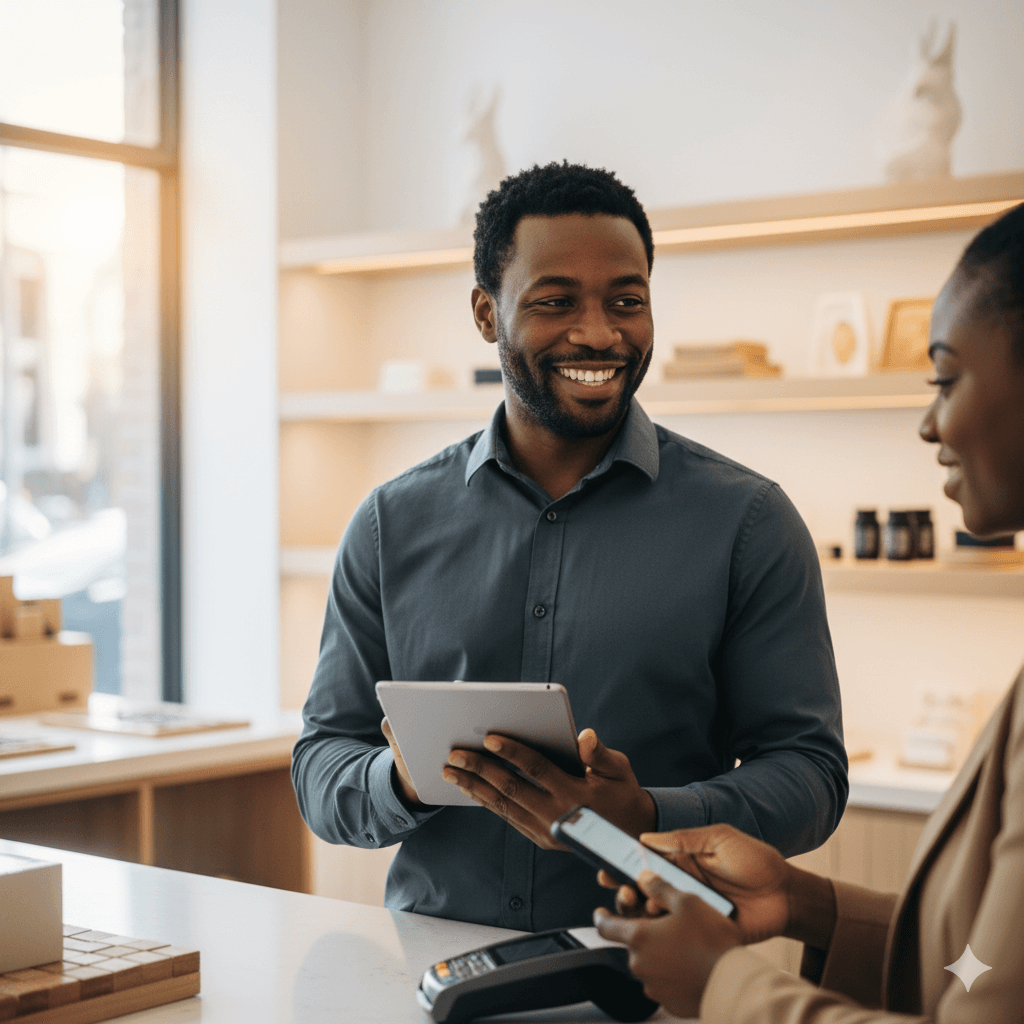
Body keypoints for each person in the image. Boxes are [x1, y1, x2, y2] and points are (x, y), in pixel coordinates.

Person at [291, 161, 848, 932]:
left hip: (658, 981)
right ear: (487, 313)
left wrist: (648, 812)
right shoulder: (390, 524)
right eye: (556, 302)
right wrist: (410, 779)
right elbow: (321, 766)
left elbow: (812, 776)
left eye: (627, 301)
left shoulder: (749, 524)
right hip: (433, 975)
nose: (598, 332)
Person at [592, 201, 1024, 1022]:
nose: (931, 422)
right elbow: (990, 967)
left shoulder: (746, 518)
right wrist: (802, 901)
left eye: (945, 377)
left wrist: (725, 984)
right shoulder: (394, 520)